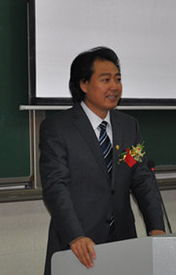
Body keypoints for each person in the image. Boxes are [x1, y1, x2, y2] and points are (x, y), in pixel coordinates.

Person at [39, 47, 165, 274]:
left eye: (118, 79)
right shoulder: (58, 128)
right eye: (106, 80)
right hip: (77, 246)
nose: (114, 86)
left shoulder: (129, 126)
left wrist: (156, 228)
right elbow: (55, 187)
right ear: (84, 84)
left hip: (123, 243)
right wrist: (75, 235)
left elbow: (142, 178)